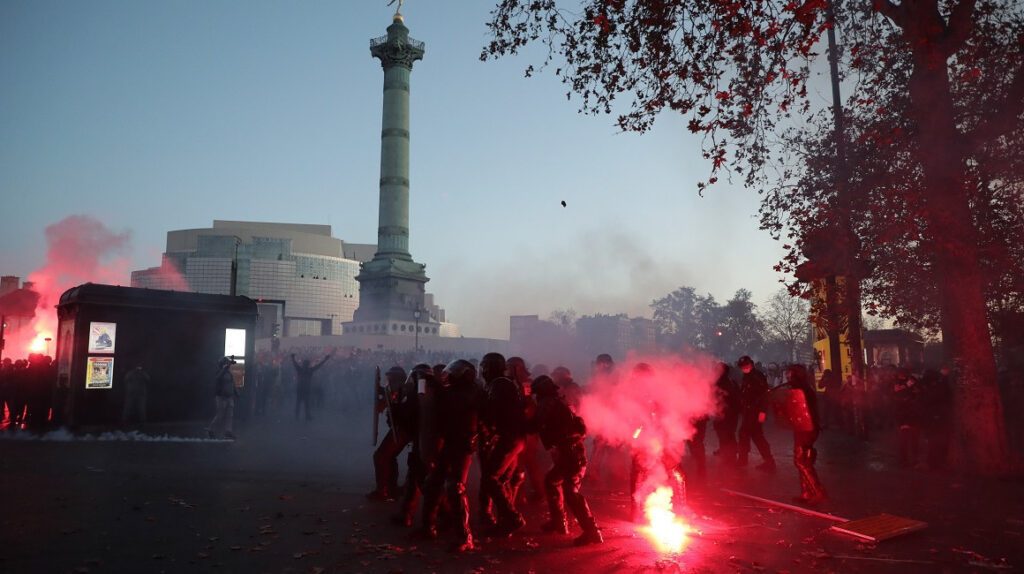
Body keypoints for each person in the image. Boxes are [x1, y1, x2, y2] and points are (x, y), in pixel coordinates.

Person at [416, 359, 483, 553]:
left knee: (455, 488)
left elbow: (455, 402)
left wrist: (434, 385)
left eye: (454, 373)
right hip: (451, 444)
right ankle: (428, 527)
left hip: (463, 446)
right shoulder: (456, 392)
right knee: (433, 483)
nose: (450, 376)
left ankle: (465, 537)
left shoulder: (472, 393)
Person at [531, 375, 603, 546]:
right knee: (551, 481)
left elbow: (535, 425)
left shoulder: (548, 404)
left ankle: (591, 531)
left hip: (570, 453)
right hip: (569, 452)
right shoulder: (558, 403)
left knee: (571, 492)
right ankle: (559, 522)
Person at [478, 352, 527, 536]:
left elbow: (494, 412)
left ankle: (512, 518)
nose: (482, 370)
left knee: (491, 478)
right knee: (502, 479)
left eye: (484, 366)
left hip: (508, 438)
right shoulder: (503, 383)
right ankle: (505, 521)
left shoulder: (499, 385)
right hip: (513, 437)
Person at [777, 364, 826, 504]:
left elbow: (800, 409)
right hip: (804, 428)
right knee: (804, 459)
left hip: (806, 429)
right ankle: (806, 493)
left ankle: (817, 491)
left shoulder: (801, 389)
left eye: (790, 373)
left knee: (801, 461)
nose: (787, 375)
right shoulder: (805, 388)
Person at [392, 363, 433, 527]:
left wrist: (397, 411)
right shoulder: (425, 395)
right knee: (413, 478)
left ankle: (444, 514)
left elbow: (411, 419)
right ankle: (406, 514)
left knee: (423, 480)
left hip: (424, 442)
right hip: (420, 441)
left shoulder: (422, 396)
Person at [368, 365, 411, 501]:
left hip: (402, 430)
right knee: (389, 457)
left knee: (381, 456)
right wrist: (379, 389)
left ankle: (383, 490)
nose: (389, 380)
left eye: (391, 378)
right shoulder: (399, 390)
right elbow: (387, 396)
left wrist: (382, 398)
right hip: (400, 429)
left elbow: (387, 401)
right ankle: (391, 488)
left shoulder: (402, 390)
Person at [736, 355, 775, 471]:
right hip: (748, 411)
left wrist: (762, 411)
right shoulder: (747, 376)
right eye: (743, 366)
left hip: (755, 411)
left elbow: (764, 395)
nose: (745, 368)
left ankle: (767, 461)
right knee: (749, 435)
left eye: (746, 365)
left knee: (751, 435)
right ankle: (764, 460)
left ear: (751, 364)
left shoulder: (757, 376)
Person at [291, 350, 334, 421]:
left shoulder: (300, 369)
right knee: (306, 403)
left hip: (300, 388)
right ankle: (307, 416)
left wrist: (292, 358)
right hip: (306, 389)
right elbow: (319, 365)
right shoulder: (310, 370)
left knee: (299, 403)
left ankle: (297, 416)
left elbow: (295, 364)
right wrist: (325, 359)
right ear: (308, 364)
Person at [712, 362, 740, 463]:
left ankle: (729, 455)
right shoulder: (732, 382)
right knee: (728, 434)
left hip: (725, 414)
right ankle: (728, 452)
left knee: (725, 435)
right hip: (731, 414)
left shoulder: (721, 383)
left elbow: (716, 398)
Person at [207, 357, 238, 440]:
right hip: (221, 397)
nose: (229, 365)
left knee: (229, 415)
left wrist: (236, 392)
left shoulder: (229, 373)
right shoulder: (220, 372)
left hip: (229, 396)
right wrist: (224, 369)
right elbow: (218, 378)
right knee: (220, 415)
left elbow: (232, 384)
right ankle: (211, 430)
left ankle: (228, 432)